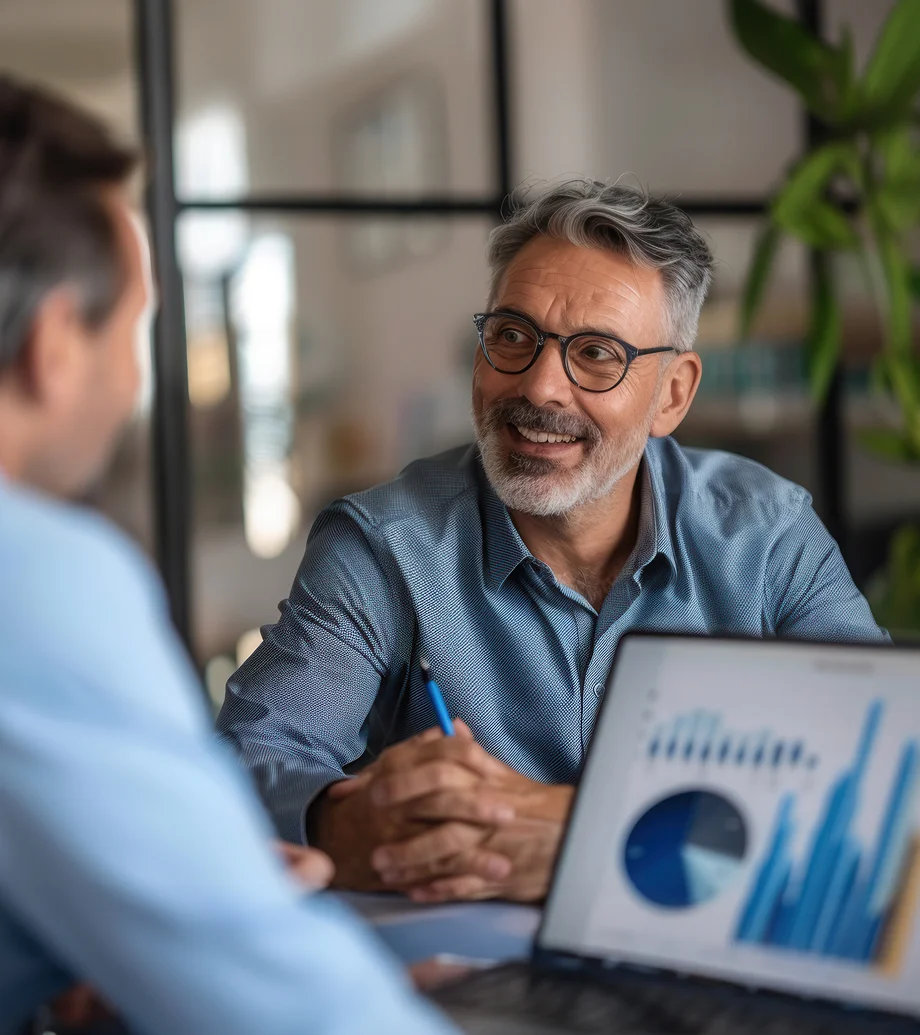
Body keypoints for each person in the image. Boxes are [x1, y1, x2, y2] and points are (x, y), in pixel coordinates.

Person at [218, 178, 887, 906]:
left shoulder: (770, 536)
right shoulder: (384, 545)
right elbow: (247, 762)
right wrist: (345, 822)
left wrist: (569, 828)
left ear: (672, 393)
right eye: (512, 336)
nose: (539, 387)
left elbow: (879, 771)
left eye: (596, 353)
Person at [0, 74, 455, 1035]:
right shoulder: (37, 575)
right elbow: (288, 1010)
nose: (133, 375)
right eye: (133, 328)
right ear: (53, 347)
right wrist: (227, 924)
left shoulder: (759, 526)